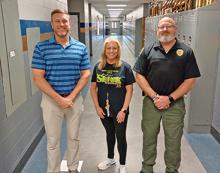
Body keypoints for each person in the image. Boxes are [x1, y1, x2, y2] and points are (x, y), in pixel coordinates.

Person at [133, 17, 201, 173]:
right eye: (161, 27)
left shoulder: (186, 51)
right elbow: (139, 75)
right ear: (157, 30)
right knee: (148, 137)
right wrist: (155, 97)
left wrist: (169, 98)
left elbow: (190, 80)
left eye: (168, 26)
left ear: (175, 29)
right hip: (151, 103)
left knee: (173, 141)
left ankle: (172, 169)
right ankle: (147, 168)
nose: (164, 29)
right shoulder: (148, 49)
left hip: (175, 104)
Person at [32, 9, 91, 173]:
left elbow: (86, 74)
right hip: (51, 101)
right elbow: (38, 78)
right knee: (53, 141)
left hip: (74, 99)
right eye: (57, 21)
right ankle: (53, 170)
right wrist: (58, 99)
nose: (61, 24)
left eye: (64, 21)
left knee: (73, 138)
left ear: (69, 23)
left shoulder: (80, 47)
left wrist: (71, 97)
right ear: (52, 24)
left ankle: (73, 168)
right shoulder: (41, 47)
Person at [90, 38, 135, 173]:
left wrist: (124, 110)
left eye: (114, 48)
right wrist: (97, 107)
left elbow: (129, 90)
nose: (111, 51)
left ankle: (122, 164)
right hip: (104, 110)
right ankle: (110, 159)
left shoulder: (125, 67)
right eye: (108, 48)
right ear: (105, 50)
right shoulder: (98, 67)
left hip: (120, 110)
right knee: (109, 134)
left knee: (120, 136)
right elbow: (93, 88)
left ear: (118, 50)